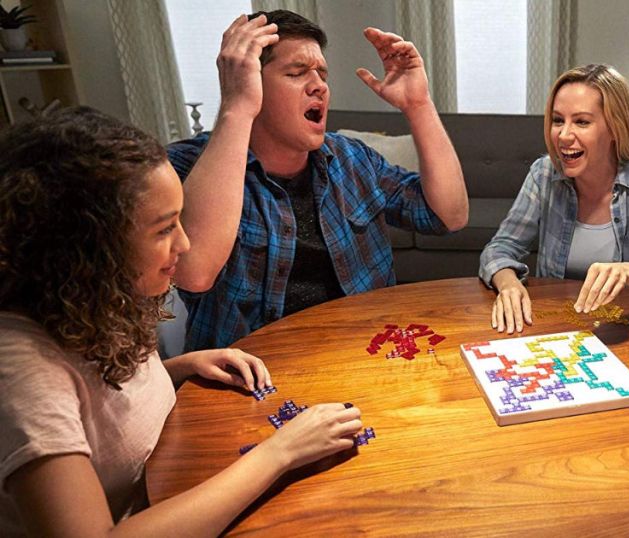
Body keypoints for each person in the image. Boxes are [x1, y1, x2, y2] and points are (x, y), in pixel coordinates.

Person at [0, 108, 363, 536]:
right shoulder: (20, 370)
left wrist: (179, 368)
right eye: (164, 229)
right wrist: (278, 453)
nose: (185, 243)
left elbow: (100, 407)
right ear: (84, 244)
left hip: (175, 483)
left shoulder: (87, 297)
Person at [168, 10, 469, 351]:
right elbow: (193, 273)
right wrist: (236, 107)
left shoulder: (352, 158)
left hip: (361, 353)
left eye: (322, 74)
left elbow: (450, 215)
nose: (319, 86)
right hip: (248, 374)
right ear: (248, 81)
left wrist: (419, 104)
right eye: (297, 73)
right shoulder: (187, 165)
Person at [479, 64, 629, 333]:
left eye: (582, 122)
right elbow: (499, 248)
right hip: (558, 326)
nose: (564, 135)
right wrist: (508, 283)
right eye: (558, 120)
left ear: (616, 128)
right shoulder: (544, 172)